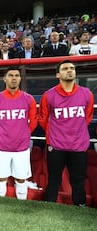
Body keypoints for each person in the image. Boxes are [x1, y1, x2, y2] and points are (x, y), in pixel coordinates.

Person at [39, 60, 94, 206]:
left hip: (78, 145)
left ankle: (80, 207)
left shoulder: (86, 93)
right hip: (56, 146)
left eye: (72, 68)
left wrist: (76, 132)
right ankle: (49, 208)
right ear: (58, 74)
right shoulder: (48, 95)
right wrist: (56, 134)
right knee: (54, 179)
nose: (69, 71)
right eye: (65, 69)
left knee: (78, 180)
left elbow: (87, 118)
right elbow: (43, 120)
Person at [0, 67, 37, 200]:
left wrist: (23, 135)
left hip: (21, 147)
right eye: (11, 75)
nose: (14, 78)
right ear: (5, 78)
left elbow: (33, 122)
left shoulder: (29, 99)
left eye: (17, 75)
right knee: (1, 178)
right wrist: (1, 135)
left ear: (20, 79)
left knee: (21, 179)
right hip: (2, 146)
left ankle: (21, 205)